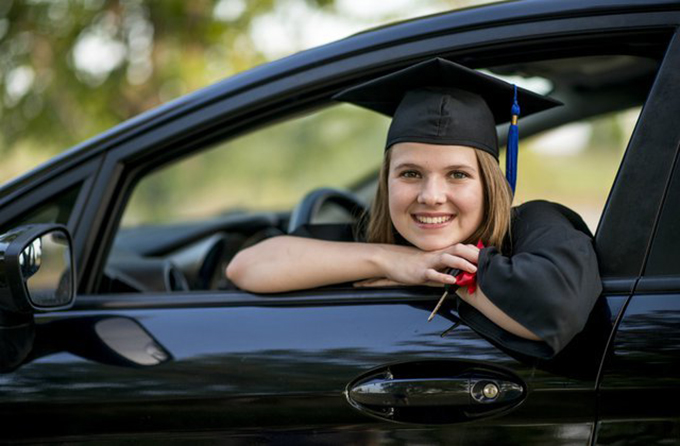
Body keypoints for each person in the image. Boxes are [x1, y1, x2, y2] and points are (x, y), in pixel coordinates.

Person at [227, 58, 602, 359]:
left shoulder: (533, 225)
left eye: (457, 174)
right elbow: (248, 267)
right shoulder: (371, 239)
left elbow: (555, 308)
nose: (431, 195)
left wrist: (439, 272)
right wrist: (394, 261)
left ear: (489, 183)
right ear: (386, 180)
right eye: (410, 173)